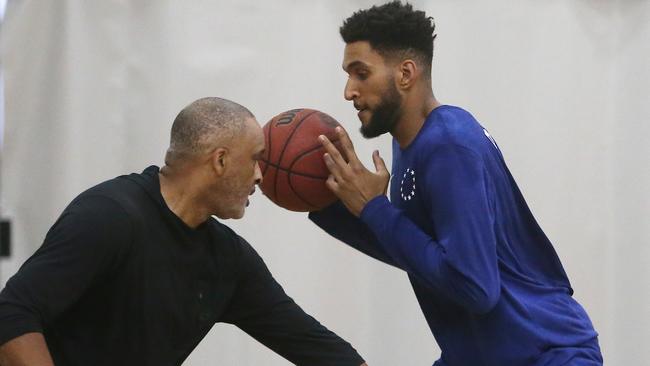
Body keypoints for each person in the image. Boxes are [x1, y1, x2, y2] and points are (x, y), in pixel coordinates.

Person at [309, 2, 603, 365]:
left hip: (544, 353)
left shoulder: (448, 145)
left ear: (405, 73)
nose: (349, 91)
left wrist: (375, 209)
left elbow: (475, 288)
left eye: (361, 73)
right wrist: (332, 204)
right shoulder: (412, 144)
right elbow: (425, 254)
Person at [0, 97, 367, 366]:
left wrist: (373, 210)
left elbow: (318, 348)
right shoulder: (110, 216)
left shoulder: (227, 260)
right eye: (255, 158)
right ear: (220, 160)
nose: (260, 176)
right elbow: (13, 313)